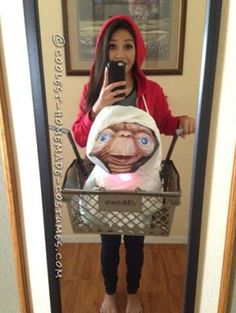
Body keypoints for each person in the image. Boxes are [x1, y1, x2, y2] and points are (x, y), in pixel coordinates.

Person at [72, 15, 195, 313]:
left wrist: (183, 122)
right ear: (104, 50)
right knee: (110, 245)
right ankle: (111, 294)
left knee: (137, 245)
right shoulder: (92, 90)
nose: (120, 54)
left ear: (138, 50)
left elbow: (164, 124)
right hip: (104, 186)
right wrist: (98, 105)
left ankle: (135, 293)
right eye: (113, 47)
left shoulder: (150, 90)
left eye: (128, 46)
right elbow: (79, 136)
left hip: (142, 187)